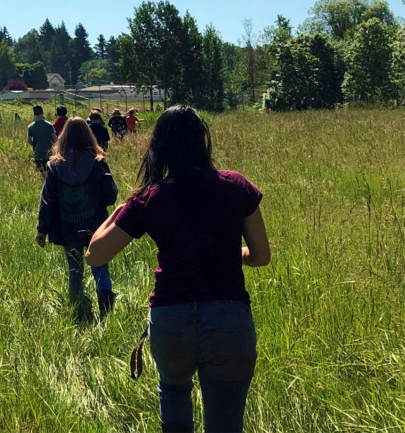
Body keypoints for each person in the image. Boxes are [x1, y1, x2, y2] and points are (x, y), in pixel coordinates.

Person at [86, 105, 271, 433]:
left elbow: (95, 255)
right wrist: (232, 253)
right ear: (202, 141)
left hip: (172, 321)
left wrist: (130, 204)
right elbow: (260, 256)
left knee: (173, 395)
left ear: (159, 147)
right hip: (228, 318)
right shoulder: (236, 185)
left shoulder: (150, 198)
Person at [36, 118, 117, 319]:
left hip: (68, 227)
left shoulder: (54, 166)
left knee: (75, 272)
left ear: (63, 138)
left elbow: (48, 201)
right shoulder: (98, 162)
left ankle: (78, 314)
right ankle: (106, 315)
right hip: (96, 225)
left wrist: (42, 230)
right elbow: (111, 195)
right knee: (100, 270)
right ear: (88, 136)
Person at [27, 105, 57, 177]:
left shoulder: (30, 127)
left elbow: (29, 140)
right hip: (49, 152)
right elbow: (55, 139)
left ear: (34, 114)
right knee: (51, 172)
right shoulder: (49, 125)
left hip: (38, 153)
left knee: (42, 173)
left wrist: (35, 145)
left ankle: (44, 186)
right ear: (42, 113)